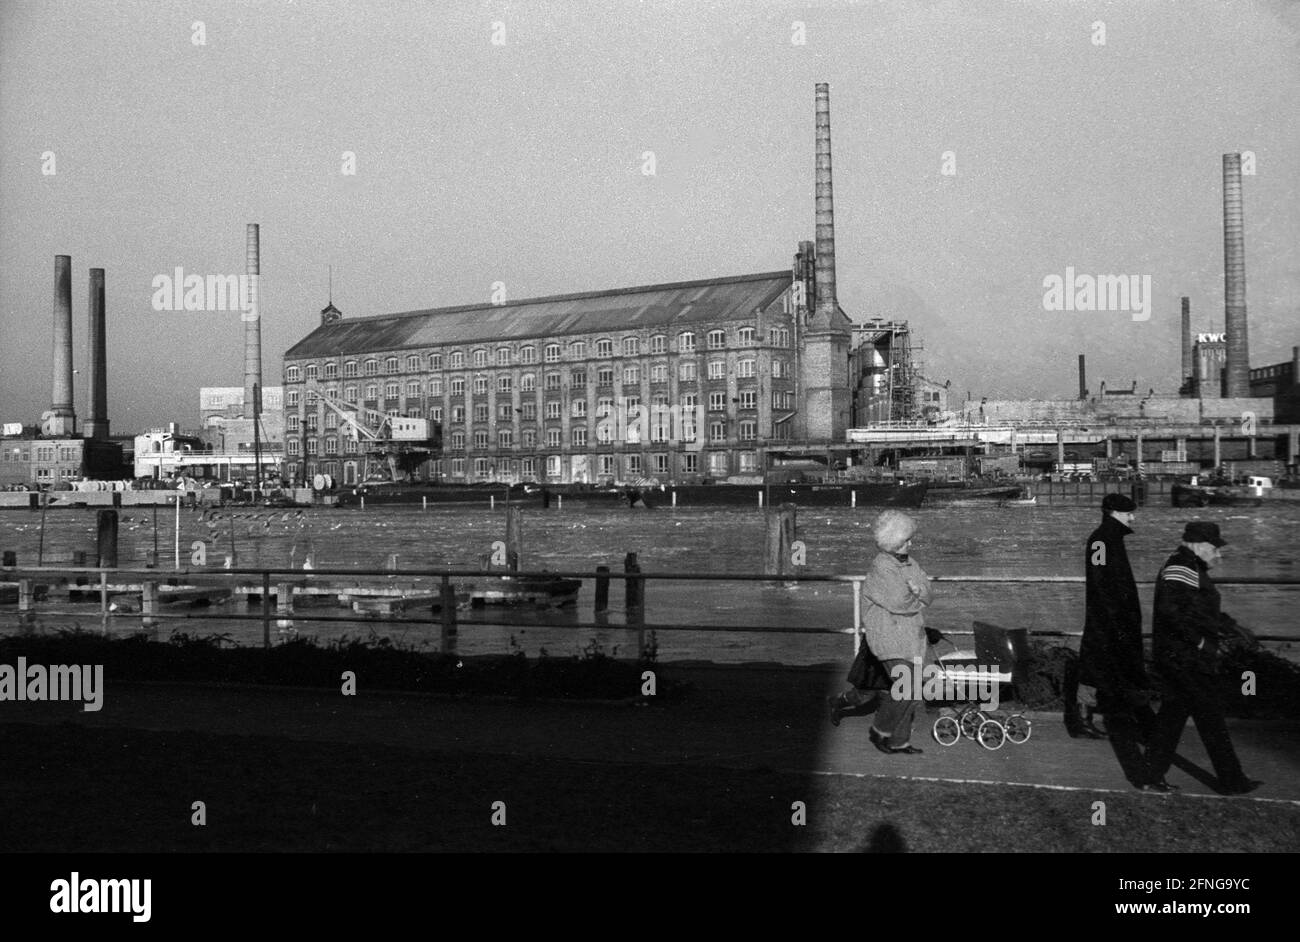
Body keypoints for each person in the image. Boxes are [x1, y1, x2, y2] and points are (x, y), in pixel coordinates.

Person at [1142, 522, 1263, 795]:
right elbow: (1173, 614)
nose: (1218, 555)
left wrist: (1230, 626)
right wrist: (1201, 643)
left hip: (1181, 657)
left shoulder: (1187, 566)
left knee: (1172, 718)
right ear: (1197, 545)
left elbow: (1197, 611)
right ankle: (1233, 782)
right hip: (1187, 659)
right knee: (1210, 719)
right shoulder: (1182, 569)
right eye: (1214, 549)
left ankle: (1151, 776)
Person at [1071, 493, 1163, 785]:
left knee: (1101, 669)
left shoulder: (1106, 539)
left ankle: (1087, 720)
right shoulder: (1102, 540)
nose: (1132, 518)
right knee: (1107, 670)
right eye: (1128, 513)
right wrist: (1116, 618)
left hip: (1108, 621)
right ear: (1114, 513)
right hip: (1110, 623)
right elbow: (1101, 581)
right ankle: (1130, 725)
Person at [855, 510, 932, 755]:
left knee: (911, 690)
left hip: (912, 637)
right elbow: (900, 601)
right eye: (906, 540)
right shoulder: (881, 566)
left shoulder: (911, 563)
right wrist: (917, 593)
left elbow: (928, 593)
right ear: (894, 541)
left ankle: (900, 741)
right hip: (889, 637)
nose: (911, 543)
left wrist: (918, 593)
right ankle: (880, 730)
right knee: (907, 687)